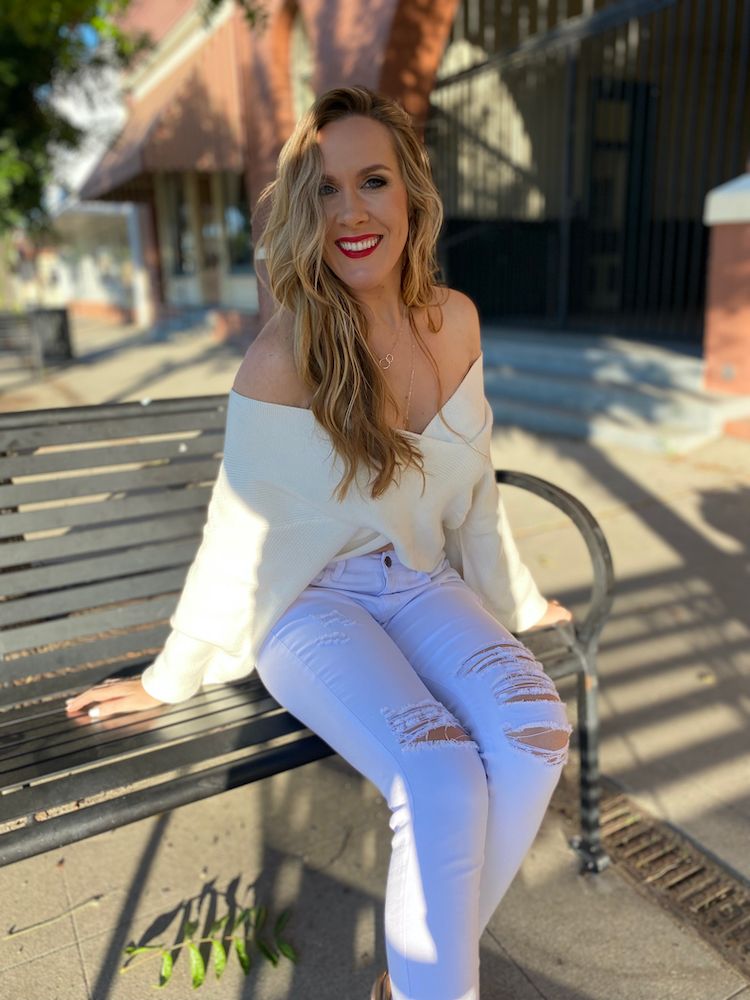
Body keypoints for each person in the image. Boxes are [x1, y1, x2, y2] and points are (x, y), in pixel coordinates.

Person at [66, 85, 574, 1000]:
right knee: (440, 773)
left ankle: (410, 982)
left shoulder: (455, 320)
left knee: (537, 732)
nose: (351, 212)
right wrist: (168, 680)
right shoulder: (284, 354)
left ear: (410, 190)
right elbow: (235, 535)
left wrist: (520, 604)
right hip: (309, 605)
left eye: (371, 180)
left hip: (417, 582)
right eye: (325, 190)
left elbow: (474, 492)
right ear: (304, 211)